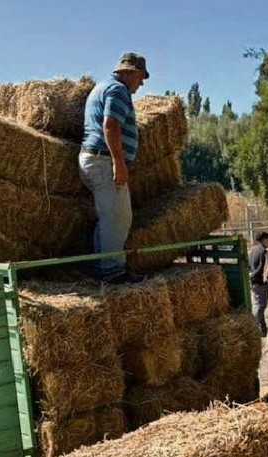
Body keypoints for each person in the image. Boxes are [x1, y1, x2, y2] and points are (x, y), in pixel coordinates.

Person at [79, 52, 149, 284]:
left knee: (111, 216)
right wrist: (119, 163)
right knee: (117, 217)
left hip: (96, 160)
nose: (142, 83)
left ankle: (103, 267)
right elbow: (110, 126)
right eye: (141, 77)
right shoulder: (118, 90)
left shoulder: (104, 87)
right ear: (129, 72)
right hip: (103, 161)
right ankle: (112, 273)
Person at [249, 232, 268, 335]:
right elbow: (261, 269)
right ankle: (254, 328)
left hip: (254, 281)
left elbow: (250, 265)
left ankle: (263, 328)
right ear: (263, 240)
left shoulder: (253, 250)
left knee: (258, 305)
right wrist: (254, 276)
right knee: (260, 306)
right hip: (260, 282)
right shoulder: (263, 252)